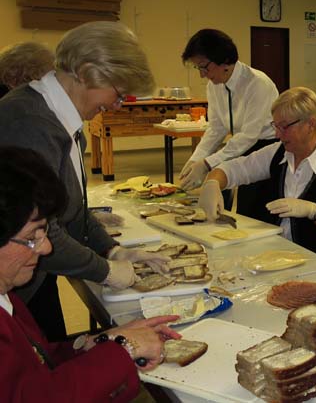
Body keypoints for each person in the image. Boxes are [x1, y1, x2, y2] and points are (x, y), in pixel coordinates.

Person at [0, 21, 169, 341]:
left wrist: (113, 250)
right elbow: (39, 230)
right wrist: (105, 270)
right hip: (16, 286)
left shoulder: (63, 119)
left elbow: (72, 207)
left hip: (37, 276)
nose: (118, 105)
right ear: (87, 72)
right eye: (118, 93)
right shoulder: (29, 123)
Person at [0, 146, 181, 402]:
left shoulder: (8, 298)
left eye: (45, 232)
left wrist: (104, 341)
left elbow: (40, 361)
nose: (47, 247)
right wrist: (125, 348)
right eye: (32, 237)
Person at [198, 87, 316, 262]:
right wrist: (213, 182)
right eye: (275, 126)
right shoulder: (278, 152)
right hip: (274, 254)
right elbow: (234, 169)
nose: (277, 134)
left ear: (310, 124)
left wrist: (314, 210)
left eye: (284, 127)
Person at [178, 28, 280, 218]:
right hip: (239, 145)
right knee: (233, 206)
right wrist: (196, 159)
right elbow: (216, 128)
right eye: (198, 68)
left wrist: (207, 163)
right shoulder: (214, 85)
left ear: (224, 60)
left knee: (254, 212)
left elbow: (249, 137)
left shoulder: (257, 84)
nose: (202, 75)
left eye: (204, 67)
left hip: (266, 150)